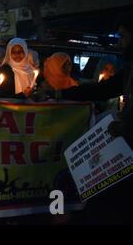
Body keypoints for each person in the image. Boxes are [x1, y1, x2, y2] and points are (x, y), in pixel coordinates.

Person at [52, 12, 133, 224]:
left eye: (124, 37)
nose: (121, 44)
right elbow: (102, 90)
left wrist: (126, 128)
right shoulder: (130, 70)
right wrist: (61, 94)